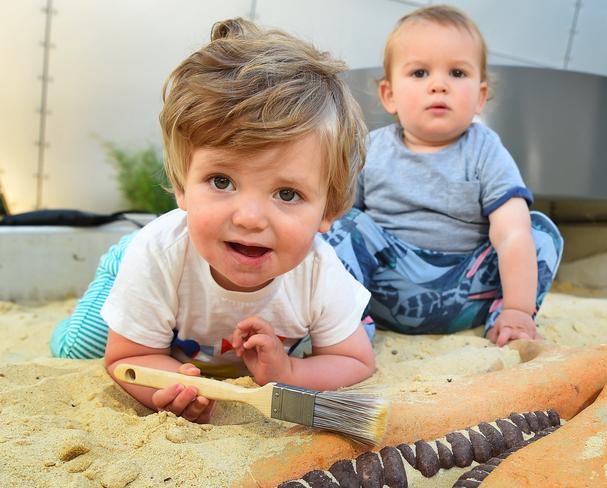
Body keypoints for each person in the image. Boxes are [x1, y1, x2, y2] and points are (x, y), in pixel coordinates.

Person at [50, 18, 374, 423]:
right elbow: (129, 356)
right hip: (147, 263)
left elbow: (355, 361)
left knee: (357, 333)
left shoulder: (318, 272)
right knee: (77, 346)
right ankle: (111, 288)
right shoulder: (157, 256)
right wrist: (172, 386)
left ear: (328, 211)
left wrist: (291, 372)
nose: (250, 218)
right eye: (222, 181)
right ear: (182, 185)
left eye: (287, 194)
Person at [322, 5, 563, 347]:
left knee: (538, 232)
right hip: (384, 289)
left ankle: (507, 321)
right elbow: (338, 228)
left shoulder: (485, 149)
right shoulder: (371, 149)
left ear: (481, 96)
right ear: (389, 95)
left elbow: (511, 234)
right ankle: (345, 327)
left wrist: (518, 308)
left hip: (465, 291)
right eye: (420, 73)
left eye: (457, 73)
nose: (439, 85)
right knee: (338, 224)